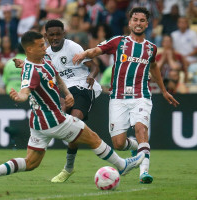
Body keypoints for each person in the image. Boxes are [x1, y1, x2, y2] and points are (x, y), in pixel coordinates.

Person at [0, 31, 145, 192]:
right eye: (41, 45)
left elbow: (56, 77)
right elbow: (25, 91)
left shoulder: (44, 58)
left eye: (44, 43)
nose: (45, 47)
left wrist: (68, 93)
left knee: (31, 163)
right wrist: (18, 97)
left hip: (38, 122)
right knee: (92, 137)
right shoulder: (31, 72)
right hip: (53, 119)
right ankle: (122, 166)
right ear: (29, 49)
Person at [72, 7, 180, 184]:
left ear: (147, 24)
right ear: (130, 22)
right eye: (135, 20)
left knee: (141, 129)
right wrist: (84, 53)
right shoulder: (118, 42)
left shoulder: (151, 48)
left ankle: (143, 172)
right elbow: (97, 51)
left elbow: (154, 68)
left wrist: (164, 90)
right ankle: (138, 148)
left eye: (142, 20)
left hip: (141, 95)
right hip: (118, 97)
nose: (138, 23)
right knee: (118, 144)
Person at [13, 19, 103, 183]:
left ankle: (68, 168)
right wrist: (23, 64)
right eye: (51, 35)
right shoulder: (45, 52)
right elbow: (38, 66)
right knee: (72, 131)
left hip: (82, 86)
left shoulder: (73, 47)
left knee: (75, 120)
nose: (55, 38)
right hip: (65, 91)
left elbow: (94, 66)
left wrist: (91, 77)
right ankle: (128, 148)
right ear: (46, 36)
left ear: (64, 34)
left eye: (58, 34)